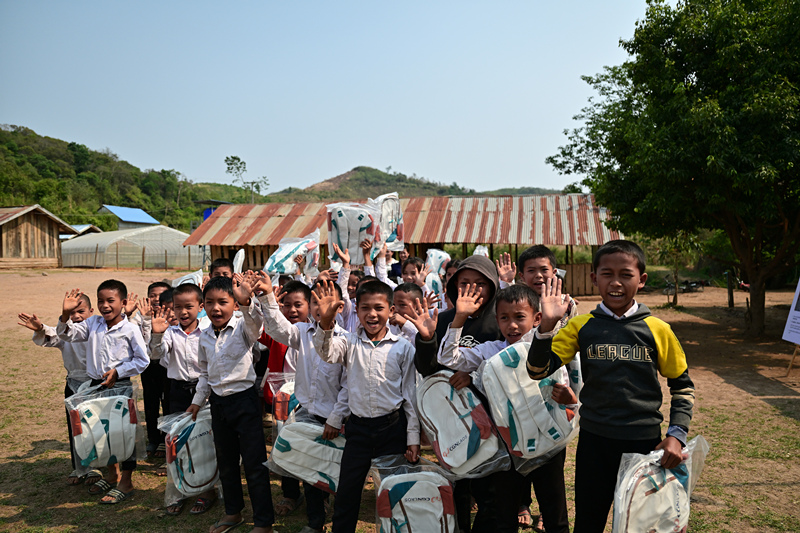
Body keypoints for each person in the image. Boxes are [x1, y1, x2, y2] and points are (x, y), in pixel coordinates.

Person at [527, 240, 695, 533]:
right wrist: (546, 328)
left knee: (640, 525)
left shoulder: (658, 329)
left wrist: (676, 436)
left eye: (626, 274)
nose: (616, 282)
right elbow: (537, 370)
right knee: (588, 523)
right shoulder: (581, 326)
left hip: (644, 443)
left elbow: (682, 387)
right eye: (607, 274)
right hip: (595, 443)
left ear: (641, 280)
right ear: (595, 278)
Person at [410, 283, 575, 533]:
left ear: (536, 318)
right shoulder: (492, 351)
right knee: (504, 517)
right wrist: (459, 317)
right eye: (504, 318)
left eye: (519, 317)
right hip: (507, 449)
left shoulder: (547, 349)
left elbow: (566, 394)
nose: (512, 325)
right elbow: (448, 358)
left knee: (555, 515)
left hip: (547, 445)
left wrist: (569, 399)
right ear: (497, 321)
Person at [312, 280, 419, 533]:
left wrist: (412, 437)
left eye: (379, 308)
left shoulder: (403, 347)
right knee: (347, 491)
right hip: (358, 430)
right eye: (365, 308)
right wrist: (325, 323)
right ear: (357, 310)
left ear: (391, 311)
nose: (372, 314)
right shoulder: (348, 342)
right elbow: (327, 353)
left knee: (394, 490)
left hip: (392, 428)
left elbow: (409, 395)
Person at [412, 254, 503, 533]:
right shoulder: (443, 320)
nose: (471, 289)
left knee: (491, 491)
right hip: (453, 417)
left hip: (492, 417)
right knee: (458, 483)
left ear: (493, 286)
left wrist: (473, 375)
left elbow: (507, 364)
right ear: (453, 286)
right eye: (464, 283)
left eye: (480, 283)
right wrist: (427, 338)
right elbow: (427, 368)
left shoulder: (501, 320)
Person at [257, 275, 349, 533]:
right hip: (307, 414)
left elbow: (347, 387)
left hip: (334, 419)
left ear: (340, 307)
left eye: (328, 302)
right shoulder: (301, 333)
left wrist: (335, 419)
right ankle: (314, 523)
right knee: (309, 470)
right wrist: (267, 297)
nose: (322, 307)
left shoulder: (347, 341)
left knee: (331, 467)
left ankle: (333, 514)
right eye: (316, 302)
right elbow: (277, 328)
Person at [188, 275, 276, 533]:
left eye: (223, 302)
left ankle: (263, 523)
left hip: (245, 402)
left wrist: (247, 302)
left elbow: (256, 327)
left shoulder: (242, 327)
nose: (216, 308)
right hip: (218, 404)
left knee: (254, 464)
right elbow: (204, 373)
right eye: (209, 302)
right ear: (203, 305)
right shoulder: (204, 336)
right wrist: (197, 401)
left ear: (234, 304)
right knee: (226, 462)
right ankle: (233, 512)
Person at [57, 280, 149, 504]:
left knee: (124, 433)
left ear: (123, 302)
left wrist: (118, 371)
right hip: (96, 386)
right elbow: (68, 334)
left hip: (120, 387)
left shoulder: (130, 328)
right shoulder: (93, 323)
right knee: (102, 432)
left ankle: (126, 481)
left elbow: (142, 360)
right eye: (100, 301)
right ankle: (112, 473)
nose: (105, 305)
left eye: (110, 300)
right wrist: (65, 315)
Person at [514, 244, 579, 529]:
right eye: (531, 270)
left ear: (555, 272)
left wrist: (573, 395)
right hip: (519, 389)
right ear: (521, 276)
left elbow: (573, 356)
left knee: (552, 456)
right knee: (519, 450)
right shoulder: (517, 301)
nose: (538, 276)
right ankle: (522, 503)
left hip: (553, 390)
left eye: (544, 270)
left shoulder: (567, 305)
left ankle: (548, 514)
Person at [18, 295, 102, 487]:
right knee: (76, 427)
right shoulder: (66, 333)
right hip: (73, 384)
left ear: (91, 312)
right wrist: (40, 328)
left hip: (96, 383)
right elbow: (52, 334)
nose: (77, 316)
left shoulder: (98, 330)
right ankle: (80, 466)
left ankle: (97, 464)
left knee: (95, 426)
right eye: (71, 313)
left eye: (81, 311)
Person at [150, 282, 217, 516]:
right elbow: (156, 354)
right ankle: (179, 489)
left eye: (189, 306)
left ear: (201, 307)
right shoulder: (169, 332)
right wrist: (157, 335)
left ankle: (207, 489)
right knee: (177, 440)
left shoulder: (208, 331)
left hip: (205, 391)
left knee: (204, 441)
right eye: (178, 307)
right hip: (177, 391)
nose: (183, 312)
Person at [139, 281, 172, 458]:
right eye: (152, 295)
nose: (157, 299)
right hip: (149, 366)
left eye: (161, 295)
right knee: (151, 402)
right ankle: (152, 438)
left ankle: (165, 438)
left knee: (168, 403)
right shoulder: (141, 316)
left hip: (168, 367)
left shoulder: (173, 315)